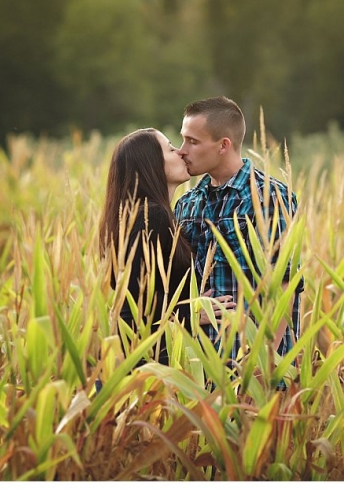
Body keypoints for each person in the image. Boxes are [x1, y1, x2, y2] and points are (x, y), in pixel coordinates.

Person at [174, 96, 304, 366]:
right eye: (182, 139)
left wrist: (261, 365)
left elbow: (283, 284)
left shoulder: (268, 197)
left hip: (252, 368)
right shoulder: (187, 204)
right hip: (200, 369)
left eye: (192, 141)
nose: (181, 150)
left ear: (223, 145)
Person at [99, 128, 235, 366]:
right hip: (145, 367)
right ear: (151, 164)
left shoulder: (150, 214)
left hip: (140, 360)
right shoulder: (152, 215)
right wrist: (190, 315)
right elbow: (133, 304)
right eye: (171, 148)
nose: (181, 152)